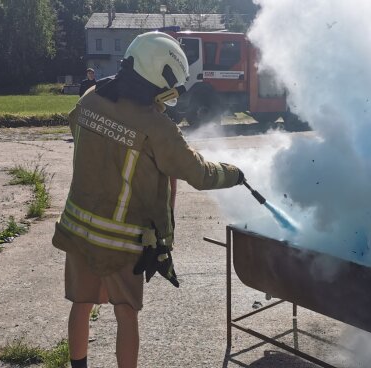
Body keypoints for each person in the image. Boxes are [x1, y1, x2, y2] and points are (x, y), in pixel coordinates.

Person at [51, 32, 244, 368]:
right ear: (162, 78)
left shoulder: (91, 98)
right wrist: (234, 173)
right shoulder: (156, 126)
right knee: (126, 314)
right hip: (120, 241)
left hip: (77, 228)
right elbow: (198, 173)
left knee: (81, 304)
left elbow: (82, 136)